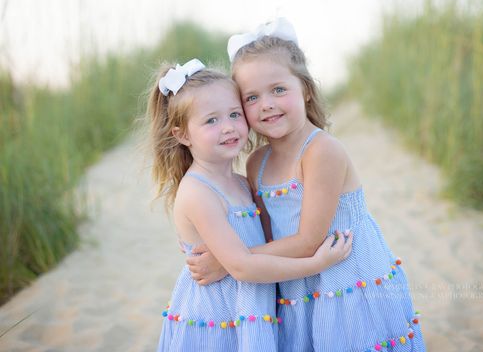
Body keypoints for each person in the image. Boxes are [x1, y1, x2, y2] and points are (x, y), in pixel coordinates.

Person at [187, 19, 426, 351]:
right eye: (252, 97)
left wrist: (227, 262)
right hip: (296, 280)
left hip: (344, 275)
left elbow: (309, 240)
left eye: (279, 90)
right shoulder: (257, 163)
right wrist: (237, 257)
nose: (266, 104)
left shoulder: (321, 151)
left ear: (306, 89)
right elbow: (268, 237)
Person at [146, 58, 352, 352]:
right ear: (182, 134)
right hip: (218, 318)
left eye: (234, 114)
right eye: (211, 120)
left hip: (250, 308)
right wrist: (315, 264)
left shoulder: (243, 184)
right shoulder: (197, 192)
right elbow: (241, 266)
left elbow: (265, 242)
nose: (228, 127)